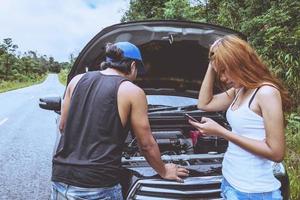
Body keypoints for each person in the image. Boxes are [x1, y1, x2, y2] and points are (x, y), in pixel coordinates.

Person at [51, 42, 189, 200]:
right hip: (98, 184)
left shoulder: (76, 81)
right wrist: (163, 170)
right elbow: (146, 144)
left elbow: (63, 126)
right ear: (132, 66)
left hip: (61, 177)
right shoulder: (132, 91)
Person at [188, 35, 291, 199]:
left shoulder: (266, 93)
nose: (222, 78)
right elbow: (204, 103)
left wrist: (222, 132)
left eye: (224, 70)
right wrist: (212, 62)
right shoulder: (240, 90)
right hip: (230, 181)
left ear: (239, 62)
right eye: (218, 71)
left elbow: (276, 153)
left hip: (254, 191)